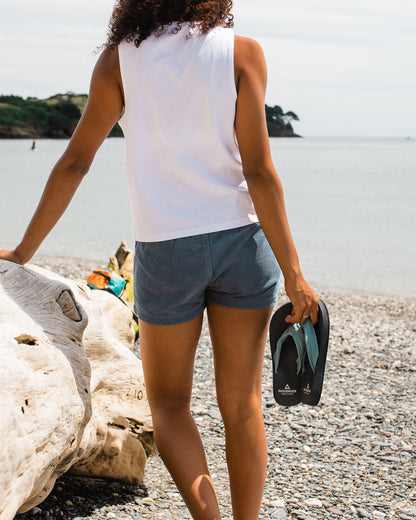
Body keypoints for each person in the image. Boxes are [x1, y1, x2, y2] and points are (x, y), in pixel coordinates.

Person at [0, 1, 319, 519]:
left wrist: (23, 251)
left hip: (167, 251)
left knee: (170, 406)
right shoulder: (243, 53)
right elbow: (259, 171)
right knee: (243, 404)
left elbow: (76, 162)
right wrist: (295, 274)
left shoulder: (119, 61)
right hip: (244, 243)